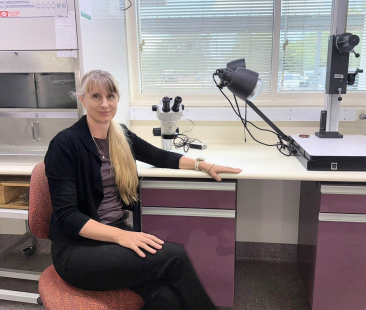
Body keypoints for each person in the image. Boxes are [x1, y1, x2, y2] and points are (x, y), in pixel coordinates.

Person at [44, 70, 242, 310]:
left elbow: (159, 156)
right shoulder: (65, 144)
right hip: (76, 251)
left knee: (166, 299)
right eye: (96, 96)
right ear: (83, 99)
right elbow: (68, 217)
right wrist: (124, 236)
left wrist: (203, 164)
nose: (105, 103)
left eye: (111, 96)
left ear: (118, 99)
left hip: (112, 239)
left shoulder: (120, 135)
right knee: (174, 257)